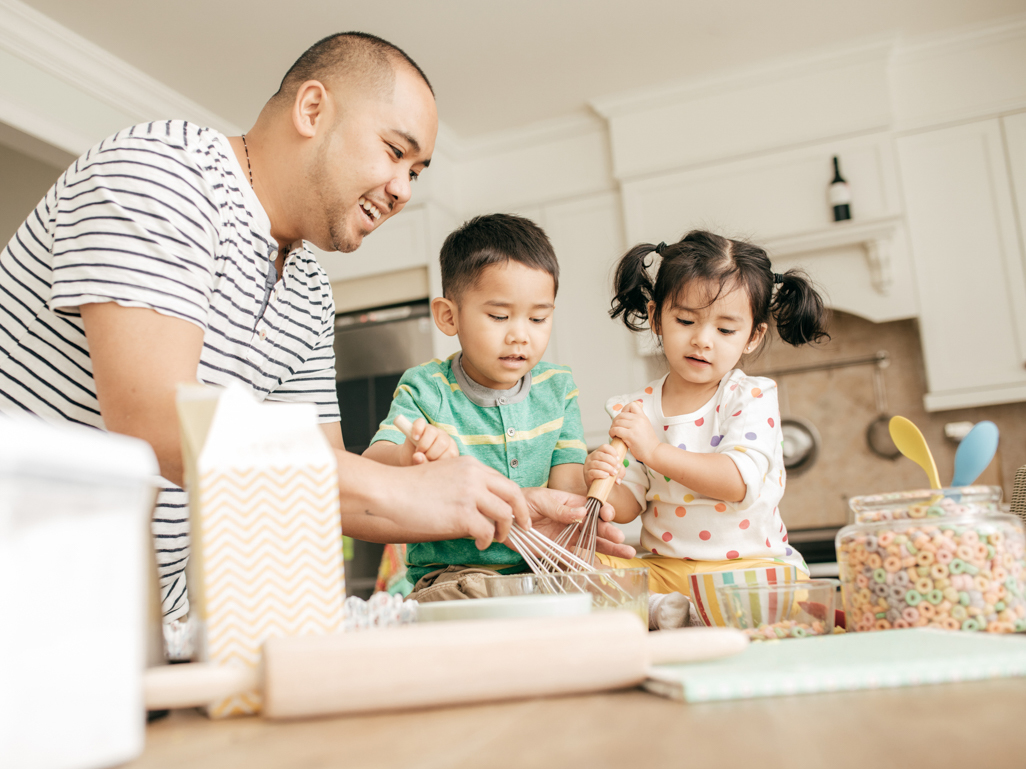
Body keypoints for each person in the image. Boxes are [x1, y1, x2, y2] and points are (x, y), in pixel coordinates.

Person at [0, 32, 628, 625]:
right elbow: (156, 421)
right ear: (311, 108)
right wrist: (422, 491)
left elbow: (325, 480)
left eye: (418, 170)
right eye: (394, 151)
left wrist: (508, 516)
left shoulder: (306, 287)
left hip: (129, 616)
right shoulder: (163, 172)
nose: (404, 188)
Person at [364, 213, 626, 601]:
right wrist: (408, 454)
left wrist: (592, 482)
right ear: (449, 316)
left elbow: (564, 494)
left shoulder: (557, 388)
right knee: (473, 602)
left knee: (616, 591)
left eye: (538, 318)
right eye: (500, 316)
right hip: (453, 576)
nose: (520, 334)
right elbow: (371, 467)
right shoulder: (426, 389)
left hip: (544, 567)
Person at [584, 230, 830, 596]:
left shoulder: (750, 397)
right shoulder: (636, 410)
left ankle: (677, 615)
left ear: (753, 337)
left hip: (752, 570)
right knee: (579, 565)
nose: (703, 339)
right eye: (685, 322)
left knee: (784, 593)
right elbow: (628, 506)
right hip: (669, 572)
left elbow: (736, 483)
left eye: (726, 329)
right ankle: (678, 611)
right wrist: (601, 479)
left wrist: (653, 452)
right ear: (656, 318)